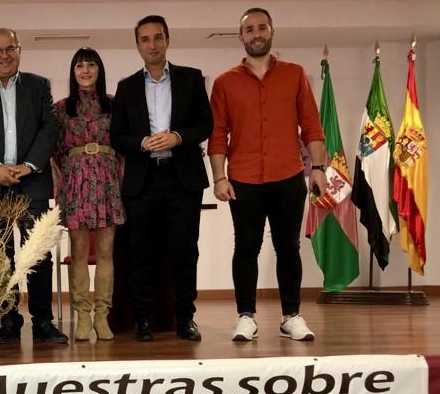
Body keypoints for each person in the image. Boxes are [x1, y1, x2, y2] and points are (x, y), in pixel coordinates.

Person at [209, 6, 327, 342]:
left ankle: (292, 316)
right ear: (241, 37)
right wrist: (220, 177)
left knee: (288, 247)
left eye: (262, 28)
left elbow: (312, 127)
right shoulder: (224, 83)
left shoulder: (295, 74)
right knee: (246, 247)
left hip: (289, 175)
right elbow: (218, 135)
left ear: (271, 32)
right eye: (250, 29)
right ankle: (245, 316)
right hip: (243, 179)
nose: (256, 34)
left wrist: (317, 169)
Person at [0, 27, 67, 344]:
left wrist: (29, 165)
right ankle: (7, 319)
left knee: (37, 254)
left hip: (32, 181)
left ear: (19, 51)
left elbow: (49, 128)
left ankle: (43, 321)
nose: (4, 55)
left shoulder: (38, 86)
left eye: (10, 49)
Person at [110, 15, 213, 342]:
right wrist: (141, 143)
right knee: (141, 252)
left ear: (167, 40)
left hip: (182, 179)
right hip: (142, 182)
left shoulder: (191, 79)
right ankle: (143, 320)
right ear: (138, 44)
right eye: (145, 39)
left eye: (157, 38)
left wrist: (179, 137)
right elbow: (117, 136)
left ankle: (186, 318)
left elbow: (205, 124)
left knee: (185, 251)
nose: (152, 45)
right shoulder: (126, 87)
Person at [51, 47, 125, 342]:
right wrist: (65, 183)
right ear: (73, 72)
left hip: (107, 182)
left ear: (99, 70)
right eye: (79, 66)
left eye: (91, 65)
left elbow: (124, 149)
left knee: (106, 252)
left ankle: (102, 316)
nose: (85, 70)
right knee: (80, 252)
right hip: (76, 182)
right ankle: (82, 315)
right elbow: (55, 152)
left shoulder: (114, 105)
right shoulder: (61, 108)